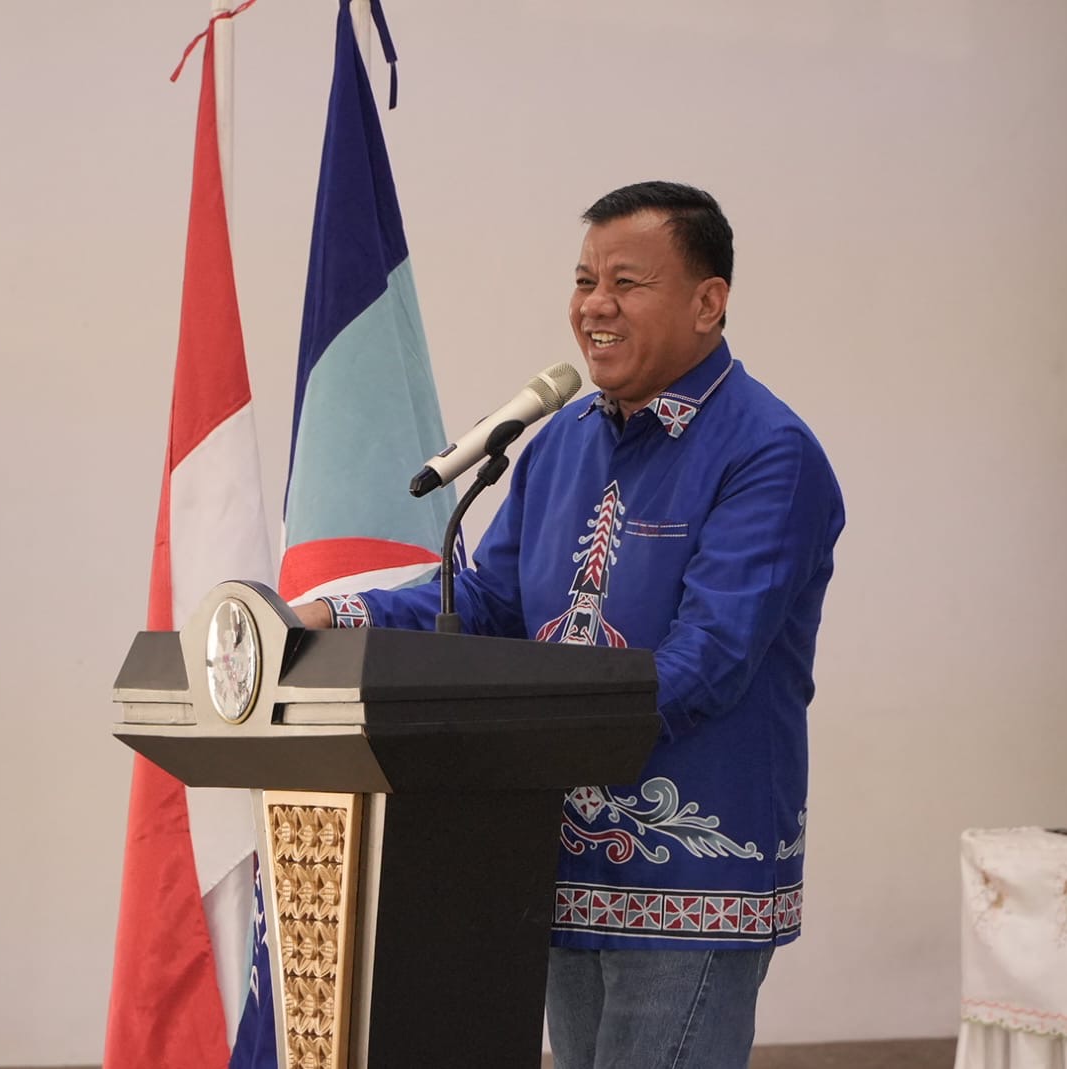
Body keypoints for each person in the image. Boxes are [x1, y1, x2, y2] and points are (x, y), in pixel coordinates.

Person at [295, 181, 844, 1069]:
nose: (595, 305)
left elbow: (708, 662)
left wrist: (530, 723)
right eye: (585, 280)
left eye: (627, 282)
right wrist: (333, 615)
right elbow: (486, 605)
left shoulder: (767, 452)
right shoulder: (559, 441)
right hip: (553, 863)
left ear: (709, 302)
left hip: (691, 879)